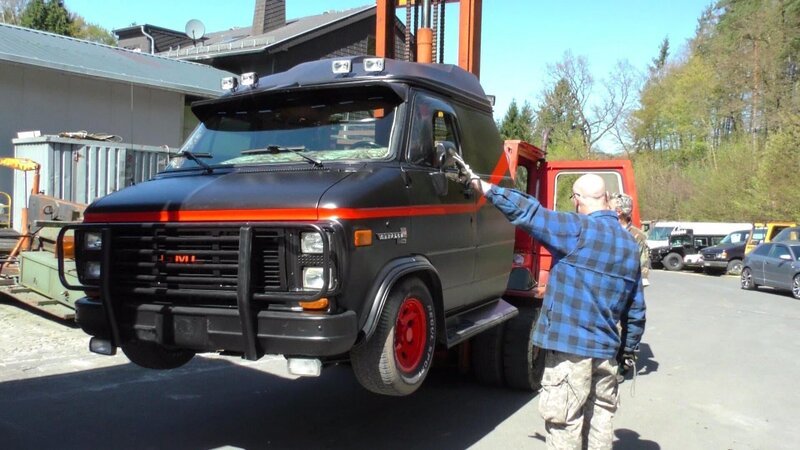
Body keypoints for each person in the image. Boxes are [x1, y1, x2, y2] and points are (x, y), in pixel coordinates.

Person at [458, 160, 646, 450]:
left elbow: (528, 212)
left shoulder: (576, 229)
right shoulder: (629, 246)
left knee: (565, 424)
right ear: (607, 197)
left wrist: (479, 184)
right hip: (606, 353)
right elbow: (636, 310)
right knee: (600, 423)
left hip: (570, 351)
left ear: (578, 199)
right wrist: (627, 351)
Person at [610, 193, 650, 287]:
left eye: (609, 207)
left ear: (618, 212)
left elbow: (643, 265)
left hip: (627, 286)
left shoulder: (638, 236)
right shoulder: (605, 230)